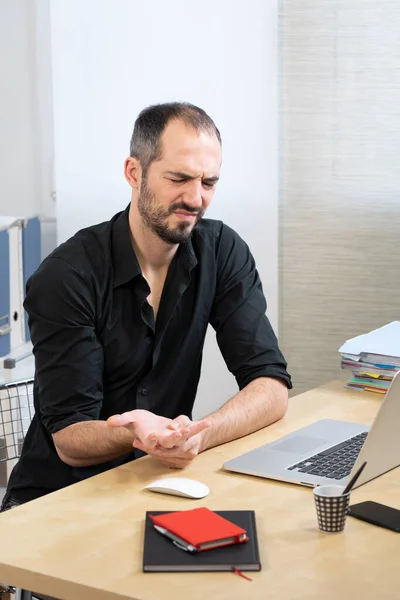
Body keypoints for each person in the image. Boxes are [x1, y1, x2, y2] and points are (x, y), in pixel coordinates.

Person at [1, 102, 292, 511]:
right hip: (56, 501)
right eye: (179, 178)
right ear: (134, 173)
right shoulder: (67, 276)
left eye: (209, 182)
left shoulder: (222, 250)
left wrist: (202, 433)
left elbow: (271, 386)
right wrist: (134, 431)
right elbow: (69, 440)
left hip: (153, 486)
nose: (195, 199)